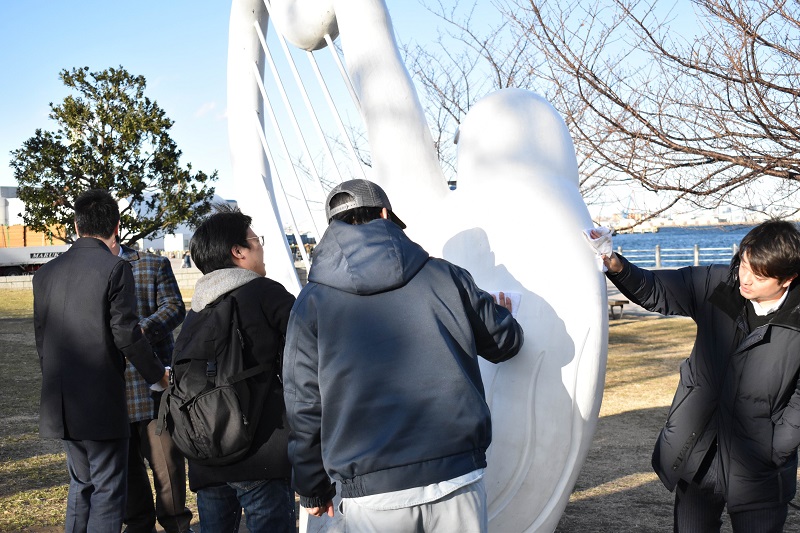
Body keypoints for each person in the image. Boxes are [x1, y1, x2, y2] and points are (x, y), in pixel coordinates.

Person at [283, 179, 524, 532]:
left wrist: (311, 487)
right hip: (456, 473)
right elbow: (506, 343)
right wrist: (504, 316)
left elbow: (303, 402)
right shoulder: (446, 275)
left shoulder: (311, 302)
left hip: (370, 489)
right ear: (385, 214)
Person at [589, 220, 800, 532]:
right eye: (744, 264)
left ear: (788, 279)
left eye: (759, 275)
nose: (745, 279)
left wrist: (776, 447)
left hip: (758, 463)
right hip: (698, 452)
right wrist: (615, 264)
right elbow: (657, 289)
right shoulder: (719, 283)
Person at [33, 189, 169, 532]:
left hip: (60, 401)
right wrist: (157, 376)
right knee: (108, 490)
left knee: (82, 485)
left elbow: (42, 340)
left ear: (76, 225)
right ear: (116, 226)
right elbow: (126, 334)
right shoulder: (115, 268)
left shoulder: (45, 273)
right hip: (101, 401)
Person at [184, 205, 296, 532]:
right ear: (238, 252)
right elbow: (308, 354)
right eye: (256, 241)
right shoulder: (266, 293)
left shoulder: (197, 308)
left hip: (205, 455)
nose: (261, 248)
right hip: (261, 454)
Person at [108, 237, 193, 533]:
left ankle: (176, 525)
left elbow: (175, 307)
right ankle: (139, 526)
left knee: (168, 466)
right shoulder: (91, 271)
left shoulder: (152, 264)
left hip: (154, 388)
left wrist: (140, 332)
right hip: (111, 391)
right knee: (128, 470)